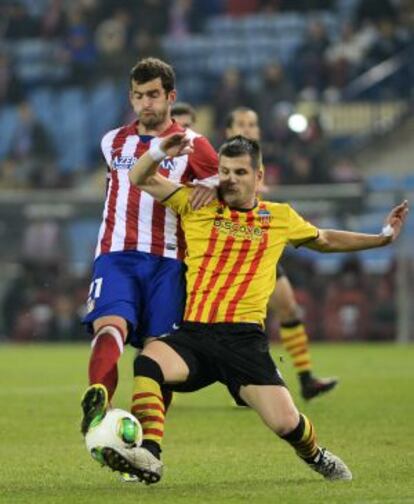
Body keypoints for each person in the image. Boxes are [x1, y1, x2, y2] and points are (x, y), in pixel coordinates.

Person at [84, 133, 407, 484]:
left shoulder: (279, 217)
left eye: (240, 172)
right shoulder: (196, 202)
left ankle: (316, 455)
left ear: (259, 176)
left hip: (243, 342)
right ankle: (150, 455)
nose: (231, 180)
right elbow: (139, 178)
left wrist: (382, 239)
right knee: (149, 360)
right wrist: (160, 150)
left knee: (286, 423)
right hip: (194, 333)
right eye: (224, 171)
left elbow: (325, 239)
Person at [80, 57, 218, 436]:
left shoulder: (195, 146)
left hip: (169, 261)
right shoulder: (112, 141)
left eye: (154, 95)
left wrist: (214, 184)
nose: (146, 104)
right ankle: (98, 403)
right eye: (139, 96)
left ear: (171, 96)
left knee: (157, 354)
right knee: (109, 326)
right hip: (116, 254)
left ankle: (141, 442)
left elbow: (227, 184)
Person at [173, 103, 337, 401]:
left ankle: (305, 377)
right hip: (220, 253)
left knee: (286, 306)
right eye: (241, 125)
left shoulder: (260, 161)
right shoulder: (213, 163)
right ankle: (236, 377)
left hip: (257, 247)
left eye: (253, 125)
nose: (248, 130)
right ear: (227, 132)